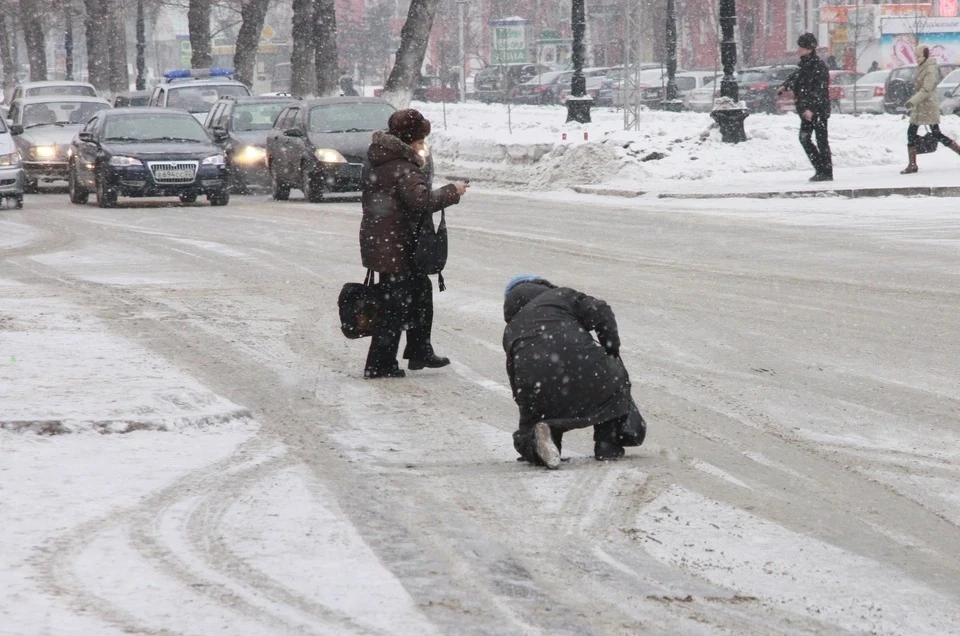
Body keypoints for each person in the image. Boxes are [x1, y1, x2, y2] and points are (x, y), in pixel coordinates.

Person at [359, 109, 469, 378]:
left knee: (418, 292)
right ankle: (380, 364)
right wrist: (452, 191)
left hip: (384, 241)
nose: (422, 147)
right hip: (397, 246)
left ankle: (419, 349)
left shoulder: (379, 161)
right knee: (394, 305)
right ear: (409, 140)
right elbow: (422, 202)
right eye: (419, 142)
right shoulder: (404, 168)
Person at [502, 275, 647, 469]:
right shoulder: (560, 296)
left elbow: (516, 380)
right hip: (587, 371)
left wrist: (530, 416)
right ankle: (607, 444)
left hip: (538, 389)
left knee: (535, 426)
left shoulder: (511, 330)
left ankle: (541, 442)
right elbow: (601, 310)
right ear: (542, 285)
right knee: (612, 383)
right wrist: (610, 347)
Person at [778, 33, 833, 182]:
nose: (798, 50)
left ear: (809, 49)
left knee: (821, 140)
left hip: (817, 110)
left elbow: (819, 90)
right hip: (805, 109)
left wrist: (811, 109)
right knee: (805, 138)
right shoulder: (804, 64)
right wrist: (785, 85)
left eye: (801, 47)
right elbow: (796, 76)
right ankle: (821, 169)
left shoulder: (818, 66)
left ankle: (826, 172)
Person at [900, 44, 960, 174]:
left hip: (928, 105)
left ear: (926, 55)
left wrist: (912, 101)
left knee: (936, 133)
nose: (917, 58)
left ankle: (913, 164)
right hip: (920, 105)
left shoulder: (930, 69)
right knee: (911, 132)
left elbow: (927, 89)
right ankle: (912, 164)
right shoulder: (922, 67)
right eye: (915, 56)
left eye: (919, 56)